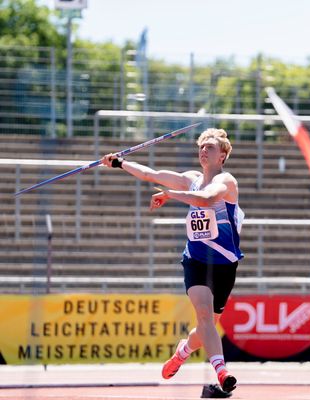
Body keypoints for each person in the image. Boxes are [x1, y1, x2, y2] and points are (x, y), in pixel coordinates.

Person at [101, 128, 243, 395]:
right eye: (201, 147)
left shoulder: (227, 181)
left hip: (225, 263)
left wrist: (170, 195)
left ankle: (182, 351)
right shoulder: (191, 179)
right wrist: (120, 163)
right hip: (197, 260)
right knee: (204, 317)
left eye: (210, 148)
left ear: (222, 155)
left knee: (203, 330)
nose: (203, 151)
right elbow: (151, 175)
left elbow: (208, 199)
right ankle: (222, 371)